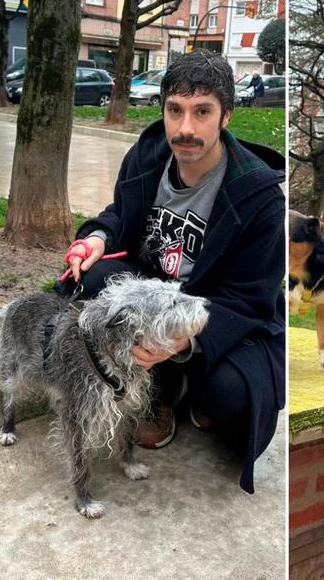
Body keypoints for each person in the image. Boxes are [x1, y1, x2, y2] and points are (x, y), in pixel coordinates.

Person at [66, 50, 285, 494]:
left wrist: (187, 342)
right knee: (91, 282)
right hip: (155, 297)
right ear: (163, 110)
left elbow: (249, 299)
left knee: (231, 395)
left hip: (216, 313)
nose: (185, 128)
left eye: (202, 112)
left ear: (226, 116)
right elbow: (119, 215)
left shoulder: (259, 198)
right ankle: (156, 392)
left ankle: (186, 386)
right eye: (175, 111)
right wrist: (97, 239)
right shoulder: (147, 157)